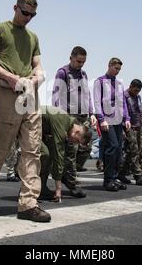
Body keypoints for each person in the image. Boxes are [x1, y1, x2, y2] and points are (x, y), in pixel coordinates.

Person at [0, 0, 50, 223]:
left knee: (32, 149)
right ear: (15, 8)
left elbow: (38, 65)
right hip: (6, 92)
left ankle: (29, 203)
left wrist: (38, 79)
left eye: (33, 15)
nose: (28, 18)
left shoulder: (33, 37)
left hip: (29, 94)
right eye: (25, 12)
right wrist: (11, 78)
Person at [52, 46, 96, 197]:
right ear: (71, 57)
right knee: (71, 151)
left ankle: (67, 174)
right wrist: (60, 115)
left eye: (83, 62)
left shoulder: (84, 74)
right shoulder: (63, 72)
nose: (81, 64)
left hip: (84, 116)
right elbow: (56, 95)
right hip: (69, 117)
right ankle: (72, 183)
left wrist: (91, 112)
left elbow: (87, 95)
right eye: (78, 61)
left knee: (86, 148)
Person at [39, 106, 93, 202]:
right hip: (27, 123)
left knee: (49, 154)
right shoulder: (62, 124)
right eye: (77, 141)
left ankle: (40, 188)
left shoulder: (68, 122)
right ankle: (28, 189)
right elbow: (58, 155)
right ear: (76, 132)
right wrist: (58, 189)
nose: (75, 143)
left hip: (37, 127)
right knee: (45, 154)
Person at [93, 58, 131, 192]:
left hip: (118, 121)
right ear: (109, 66)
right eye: (116, 68)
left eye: (119, 69)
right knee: (112, 147)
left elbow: (123, 103)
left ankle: (114, 178)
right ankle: (108, 180)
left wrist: (127, 118)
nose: (117, 71)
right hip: (106, 121)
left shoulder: (119, 83)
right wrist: (101, 119)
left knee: (118, 149)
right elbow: (97, 102)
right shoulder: (100, 81)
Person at [118, 79, 142, 186]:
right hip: (127, 126)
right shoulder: (124, 96)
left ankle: (121, 173)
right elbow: (122, 113)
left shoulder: (138, 97)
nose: (136, 92)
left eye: (138, 90)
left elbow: (139, 111)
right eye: (135, 90)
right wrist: (122, 130)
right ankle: (138, 175)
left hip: (138, 126)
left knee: (134, 151)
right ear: (130, 86)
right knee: (134, 150)